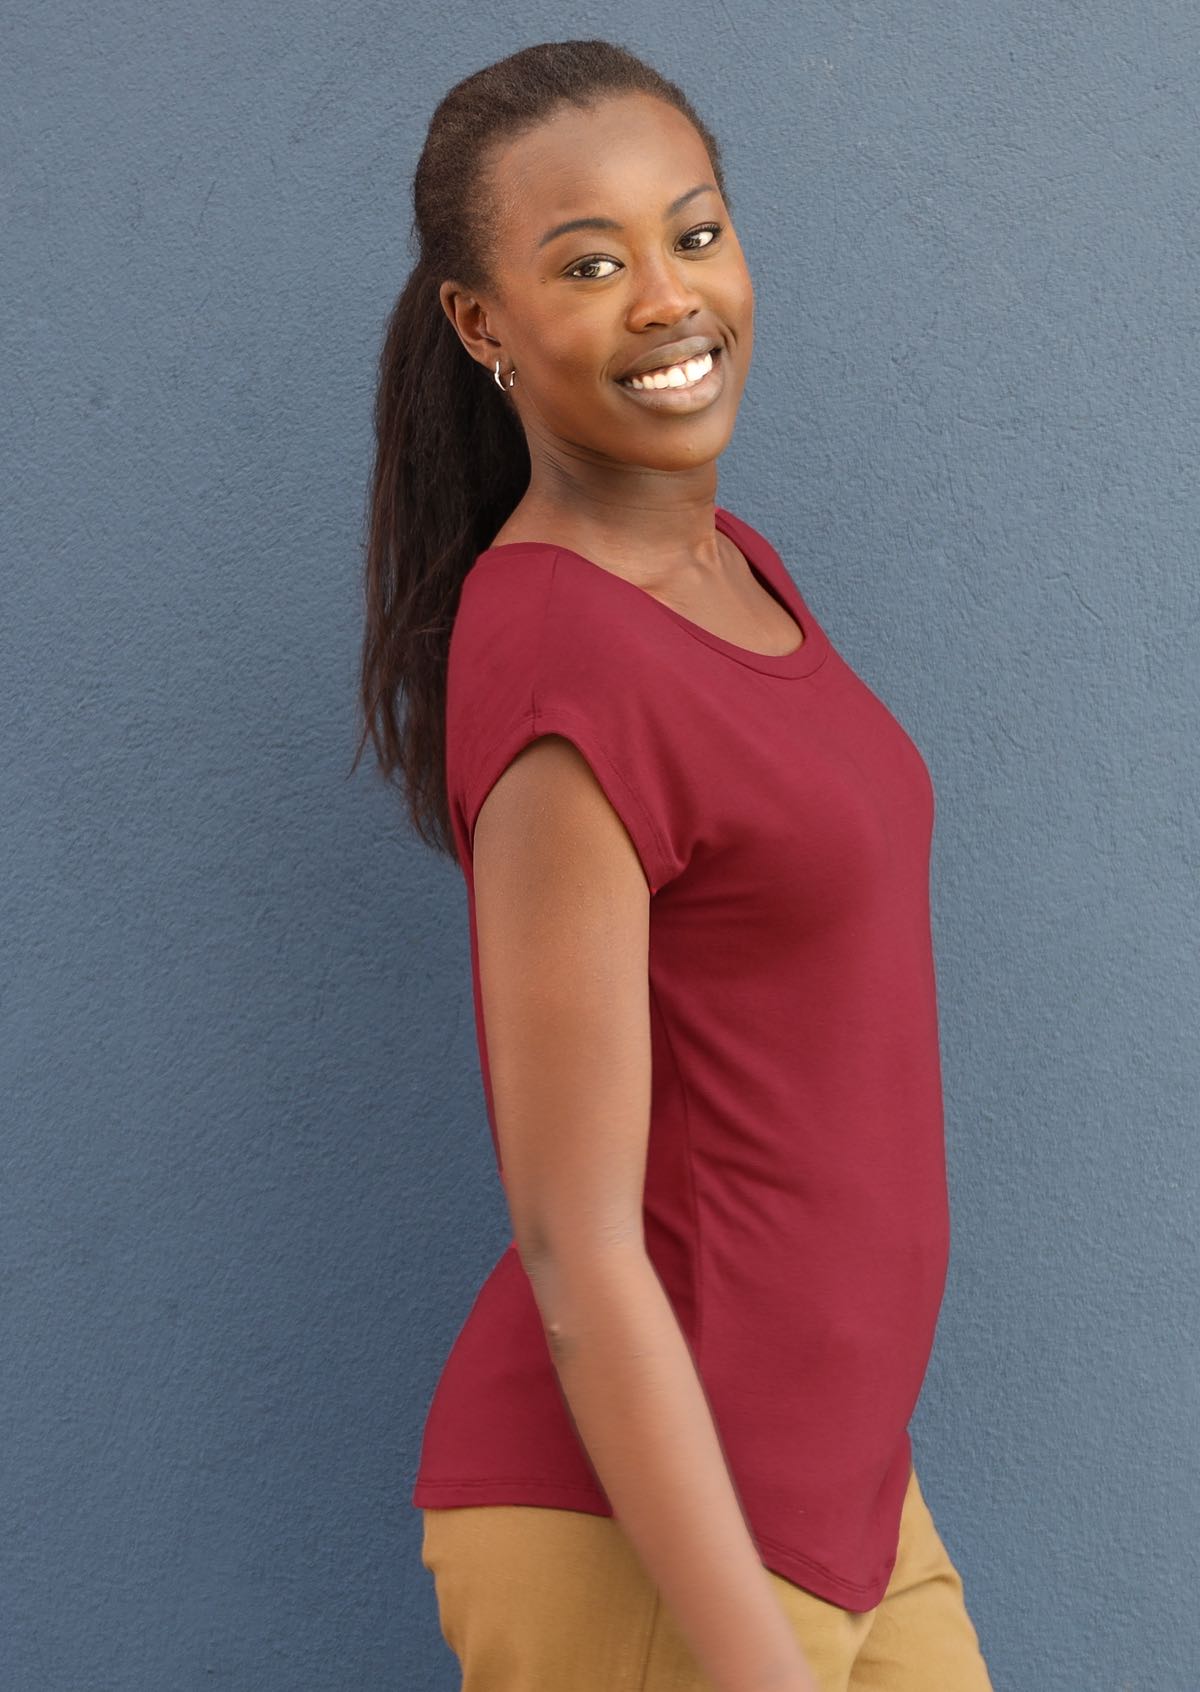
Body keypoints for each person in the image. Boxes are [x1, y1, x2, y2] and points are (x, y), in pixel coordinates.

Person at [354, 37, 995, 1692]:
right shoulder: (565, 649)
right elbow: (574, 1240)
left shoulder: (732, 565)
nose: (668, 298)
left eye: (692, 234)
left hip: (842, 1493)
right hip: (653, 1534)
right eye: (590, 263)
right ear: (482, 324)